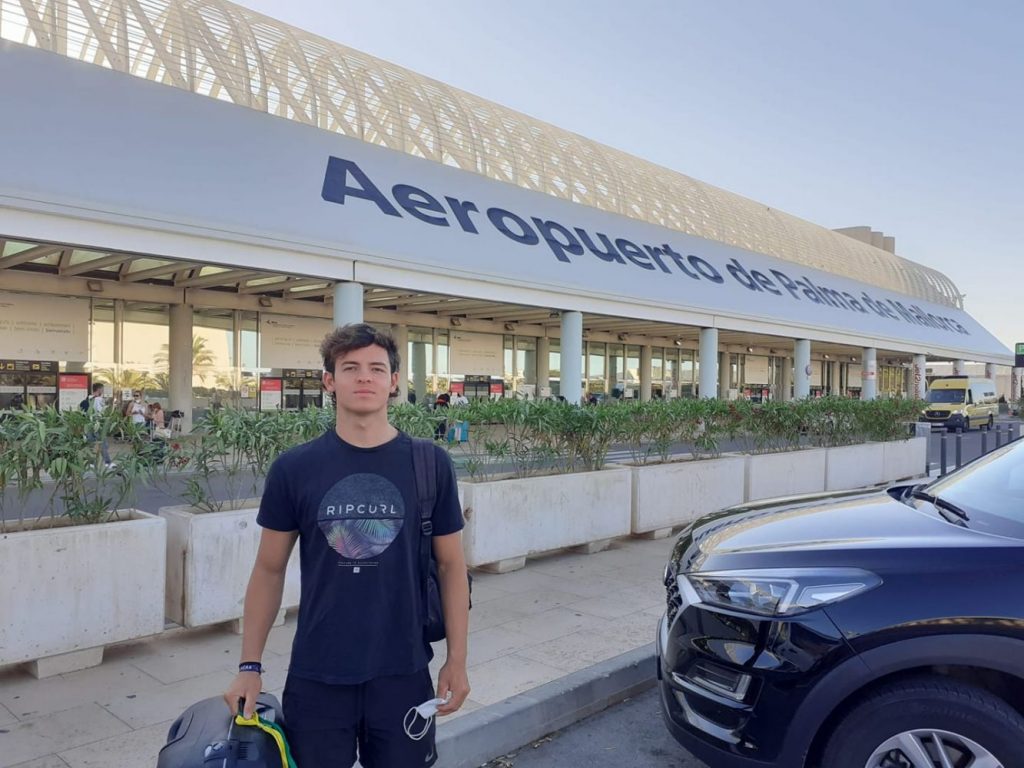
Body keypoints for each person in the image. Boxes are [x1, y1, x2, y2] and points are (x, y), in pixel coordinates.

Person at [223, 323, 470, 768]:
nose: (364, 378)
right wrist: (249, 667)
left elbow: (452, 567)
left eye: (377, 368)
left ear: (394, 382)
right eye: (350, 367)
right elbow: (269, 569)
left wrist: (457, 661)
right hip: (317, 675)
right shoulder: (294, 468)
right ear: (329, 381)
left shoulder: (429, 464)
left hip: (404, 672)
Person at [87, 382, 114, 468]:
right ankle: (107, 462)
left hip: (89, 423)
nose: (103, 391)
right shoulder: (99, 399)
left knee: (91, 444)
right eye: (102, 389)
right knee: (103, 443)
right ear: (99, 389)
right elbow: (101, 412)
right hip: (98, 424)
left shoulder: (89, 398)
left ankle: (91, 463)